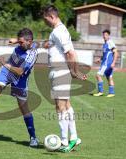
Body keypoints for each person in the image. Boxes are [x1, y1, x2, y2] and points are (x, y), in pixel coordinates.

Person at [0, 28, 39, 147]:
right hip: (7, 71)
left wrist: (5, 64)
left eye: (22, 42)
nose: (20, 44)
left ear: (29, 42)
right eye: (19, 42)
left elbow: (20, 71)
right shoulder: (27, 43)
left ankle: (33, 137)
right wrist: (17, 41)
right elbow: (32, 42)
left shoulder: (31, 54)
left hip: (19, 76)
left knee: (24, 108)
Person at [42, 5, 87, 152]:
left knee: (60, 107)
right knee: (66, 105)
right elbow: (65, 50)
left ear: (52, 17)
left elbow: (71, 54)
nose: (44, 22)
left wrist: (74, 71)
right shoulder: (58, 31)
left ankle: (64, 140)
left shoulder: (59, 31)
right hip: (59, 71)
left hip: (60, 71)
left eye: (45, 19)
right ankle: (74, 137)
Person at [93, 29, 118, 97]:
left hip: (107, 63)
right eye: (104, 35)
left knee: (98, 75)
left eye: (106, 35)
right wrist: (100, 59)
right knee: (109, 77)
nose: (104, 36)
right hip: (106, 62)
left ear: (108, 36)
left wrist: (113, 63)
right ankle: (112, 93)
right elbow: (105, 55)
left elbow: (116, 52)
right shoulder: (105, 44)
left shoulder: (110, 42)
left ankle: (100, 92)